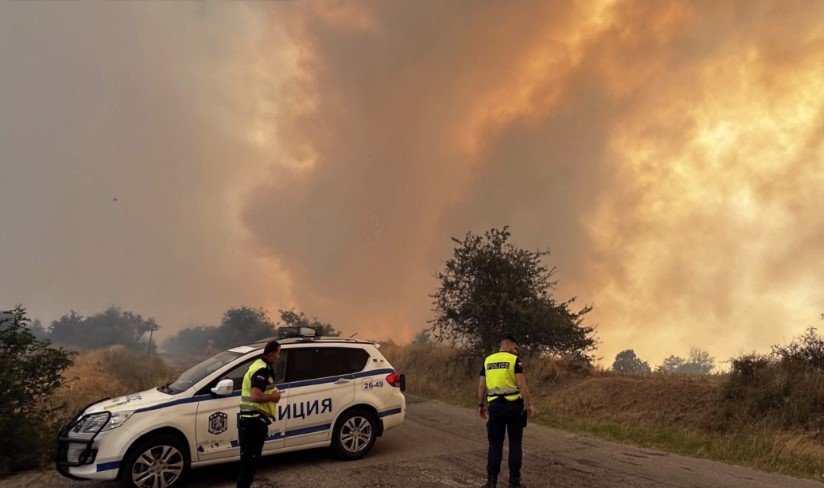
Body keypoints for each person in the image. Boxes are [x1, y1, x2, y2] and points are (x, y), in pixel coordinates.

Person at [478, 336, 537, 488]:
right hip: (513, 408)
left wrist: (480, 405)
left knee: (495, 445)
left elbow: (481, 386)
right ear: (509, 345)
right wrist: (529, 403)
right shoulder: (514, 360)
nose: (516, 351)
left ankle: (491, 482)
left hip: (495, 408)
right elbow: (522, 385)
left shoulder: (488, 361)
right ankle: (514, 482)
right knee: (515, 444)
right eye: (515, 347)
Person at [237, 340, 282, 488]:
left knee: (248, 463)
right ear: (271, 354)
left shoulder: (259, 365)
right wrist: (273, 397)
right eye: (278, 353)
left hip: (251, 420)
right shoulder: (262, 370)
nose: (279, 356)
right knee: (249, 463)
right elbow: (255, 396)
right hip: (253, 422)